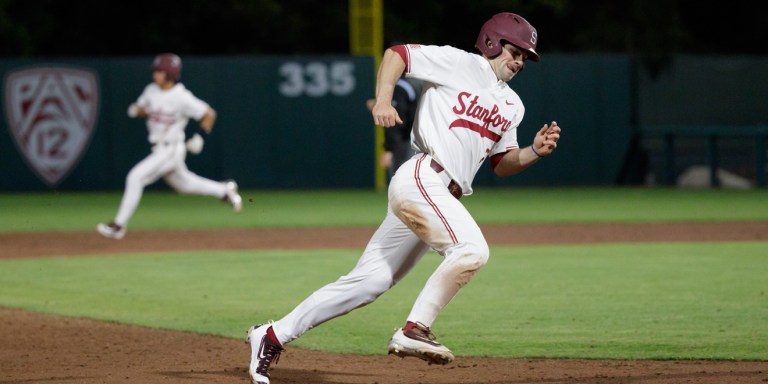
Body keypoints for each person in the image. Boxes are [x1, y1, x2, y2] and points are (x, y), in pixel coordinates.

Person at [246, 12, 561, 384]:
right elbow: (398, 54)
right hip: (423, 176)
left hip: (439, 195)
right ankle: (415, 329)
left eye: (526, 57)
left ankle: (270, 335)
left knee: (369, 282)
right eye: (516, 51)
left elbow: (501, 163)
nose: (520, 61)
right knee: (471, 250)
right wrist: (383, 100)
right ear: (493, 42)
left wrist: (533, 152)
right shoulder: (462, 64)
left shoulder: (513, 105)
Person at [97, 53, 242, 240]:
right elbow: (143, 109)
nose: (155, 74)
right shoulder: (151, 90)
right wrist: (138, 110)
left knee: (135, 177)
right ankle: (225, 191)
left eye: (160, 71)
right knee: (185, 185)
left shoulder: (181, 96)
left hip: (171, 148)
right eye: (155, 71)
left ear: (170, 73)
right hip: (158, 148)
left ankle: (118, 226)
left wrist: (200, 137)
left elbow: (209, 114)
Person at [367, 72, 423, 180]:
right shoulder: (421, 83)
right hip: (426, 139)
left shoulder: (400, 88)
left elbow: (396, 122)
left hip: (407, 142)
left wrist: (390, 150)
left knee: (401, 182)